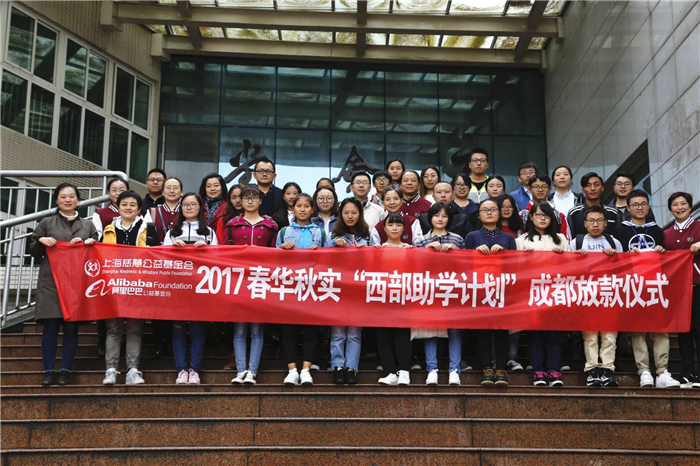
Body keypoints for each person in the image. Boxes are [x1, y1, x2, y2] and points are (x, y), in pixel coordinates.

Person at [30, 183, 98, 385]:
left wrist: (89, 244)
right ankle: (48, 371)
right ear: (57, 200)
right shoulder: (47, 223)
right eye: (63, 196)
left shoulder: (88, 226)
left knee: (71, 328)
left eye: (71, 196)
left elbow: (97, 256)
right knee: (50, 327)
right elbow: (33, 252)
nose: (67, 200)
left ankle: (65, 371)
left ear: (78, 199)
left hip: (77, 283)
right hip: (52, 282)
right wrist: (41, 241)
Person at [613, 189, 680, 388]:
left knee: (660, 329)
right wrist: (627, 254)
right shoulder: (620, 231)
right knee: (638, 330)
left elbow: (668, 260)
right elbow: (614, 259)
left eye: (643, 204)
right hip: (632, 286)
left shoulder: (657, 231)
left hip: (655, 285)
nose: (640, 208)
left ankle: (662, 371)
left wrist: (661, 251)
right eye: (635, 205)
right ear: (628, 208)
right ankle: (643, 371)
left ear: (648, 207)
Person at [225, 186, 279, 385]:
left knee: (257, 329)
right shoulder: (232, 224)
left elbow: (275, 254)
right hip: (238, 280)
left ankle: (252, 371)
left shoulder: (270, 225)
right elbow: (223, 253)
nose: (249, 201)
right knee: (239, 329)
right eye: (245, 197)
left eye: (254, 197)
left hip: (260, 280)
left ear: (260, 201)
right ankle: (241, 370)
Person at [163, 193, 218, 385]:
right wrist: (173, 249)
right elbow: (162, 260)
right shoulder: (172, 232)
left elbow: (217, 260)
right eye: (185, 204)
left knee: (197, 330)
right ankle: (181, 370)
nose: (188, 207)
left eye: (193, 204)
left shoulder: (209, 232)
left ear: (200, 207)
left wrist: (206, 249)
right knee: (178, 331)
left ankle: (195, 370)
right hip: (177, 287)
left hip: (200, 288)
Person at [277, 194, 330, 386]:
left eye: (306, 206)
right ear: (293, 209)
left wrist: (321, 254)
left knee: (311, 331)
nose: (302, 209)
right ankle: (292, 370)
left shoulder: (321, 233)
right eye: (298, 206)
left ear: (312, 209)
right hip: (289, 288)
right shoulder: (284, 232)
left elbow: (330, 261)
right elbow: (273, 261)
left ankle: (306, 369)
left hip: (312, 289)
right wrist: (282, 249)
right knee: (288, 331)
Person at [515, 202, 569, 387]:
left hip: (555, 292)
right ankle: (538, 370)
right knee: (535, 333)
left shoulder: (561, 239)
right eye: (538, 215)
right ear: (531, 217)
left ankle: (554, 370)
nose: (542, 218)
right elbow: (515, 268)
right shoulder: (522, 241)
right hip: (531, 294)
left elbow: (572, 267)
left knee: (554, 333)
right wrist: (524, 257)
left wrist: (563, 256)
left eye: (546, 215)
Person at [465, 198, 517, 387]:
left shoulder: (508, 238)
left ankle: (501, 369)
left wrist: (504, 253)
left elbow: (516, 265)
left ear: (499, 213)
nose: (489, 212)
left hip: (502, 290)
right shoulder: (472, 236)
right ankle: (487, 368)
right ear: (479, 215)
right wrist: (474, 252)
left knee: (502, 330)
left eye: (493, 209)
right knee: (483, 330)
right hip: (480, 290)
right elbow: (463, 264)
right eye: (485, 210)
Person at [570, 206, 623, 388]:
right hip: (586, 294)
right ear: (585, 224)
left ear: (605, 223)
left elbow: (624, 269)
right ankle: (592, 369)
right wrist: (577, 258)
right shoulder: (576, 242)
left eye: (599, 220)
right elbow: (567, 269)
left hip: (609, 293)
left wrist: (614, 258)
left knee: (609, 335)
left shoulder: (613, 242)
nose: (595, 224)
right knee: (590, 335)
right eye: (591, 221)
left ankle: (607, 369)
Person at [412, 203, 463, 385]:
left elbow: (465, 266)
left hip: (453, 290)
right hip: (430, 291)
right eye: (436, 215)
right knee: (431, 330)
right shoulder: (421, 241)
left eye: (444, 216)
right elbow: (415, 266)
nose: (440, 219)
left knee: (455, 331)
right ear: (430, 218)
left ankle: (454, 370)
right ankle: (432, 369)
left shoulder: (458, 239)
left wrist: (454, 252)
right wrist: (427, 252)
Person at [101, 191, 147, 386]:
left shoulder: (147, 228)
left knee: (135, 328)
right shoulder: (108, 230)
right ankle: (111, 370)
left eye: (133, 205)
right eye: (124, 204)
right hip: (114, 285)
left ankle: (133, 370)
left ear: (139, 209)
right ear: (118, 207)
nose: (128, 208)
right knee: (113, 328)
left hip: (138, 284)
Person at [329, 198, 372, 384]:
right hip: (337, 291)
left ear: (360, 214)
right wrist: (334, 246)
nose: (350, 216)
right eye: (346, 212)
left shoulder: (368, 236)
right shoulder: (332, 235)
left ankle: (351, 368)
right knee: (338, 333)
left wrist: (367, 251)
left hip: (359, 292)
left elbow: (376, 260)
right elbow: (323, 261)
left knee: (354, 333)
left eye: (354, 212)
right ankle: (337, 366)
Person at [664, 192, 700, 388]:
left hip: (697, 286)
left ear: (690, 206)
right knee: (683, 331)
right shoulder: (667, 234)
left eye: (683, 204)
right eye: (675, 205)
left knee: (698, 329)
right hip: (678, 289)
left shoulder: (698, 227)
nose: (680, 208)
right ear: (670, 209)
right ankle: (687, 373)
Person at [93, 177, 130, 356]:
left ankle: (124, 340)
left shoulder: (137, 212)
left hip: (131, 266)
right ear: (108, 192)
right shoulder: (101, 213)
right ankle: (103, 340)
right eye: (114, 190)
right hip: (108, 264)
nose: (118, 193)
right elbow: (97, 237)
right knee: (107, 303)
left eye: (121, 189)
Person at [496, 193, 525, 371]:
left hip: (515, 279)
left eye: (509, 206)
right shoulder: (491, 228)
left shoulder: (520, 228)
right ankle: (495, 358)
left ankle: (512, 358)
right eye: (502, 206)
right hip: (494, 280)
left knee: (513, 323)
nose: (506, 209)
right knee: (495, 322)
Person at [567, 172, 619, 237]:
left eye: (596, 185)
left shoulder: (613, 213)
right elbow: (570, 237)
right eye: (588, 185)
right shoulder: (574, 213)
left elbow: (618, 237)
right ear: (583, 190)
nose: (592, 188)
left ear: (602, 188)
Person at [519, 174, 570, 240]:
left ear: (549, 189)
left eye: (544, 187)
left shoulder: (559, 215)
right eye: (536, 187)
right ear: (530, 190)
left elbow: (566, 240)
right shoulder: (522, 215)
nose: (540, 190)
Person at [146, 177, 183, 243]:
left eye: (175, 188)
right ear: (162, 192)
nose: (172, 191)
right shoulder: (152, 212)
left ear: (181, 192)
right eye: (168, 188)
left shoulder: (187, 212)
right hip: (157, 249)